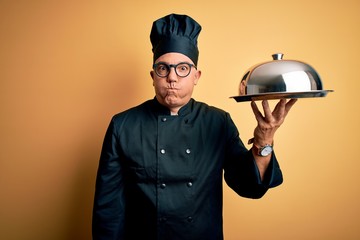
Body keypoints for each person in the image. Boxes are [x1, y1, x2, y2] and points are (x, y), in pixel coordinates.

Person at [92, 13, 297, 240]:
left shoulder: (218, 122)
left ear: (196, 76)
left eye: (182, 68)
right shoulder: (123, 125)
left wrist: (264, 139)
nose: (172, 77)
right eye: (163, 68)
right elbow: (108, 209)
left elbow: (249, 186)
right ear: (153, 76)